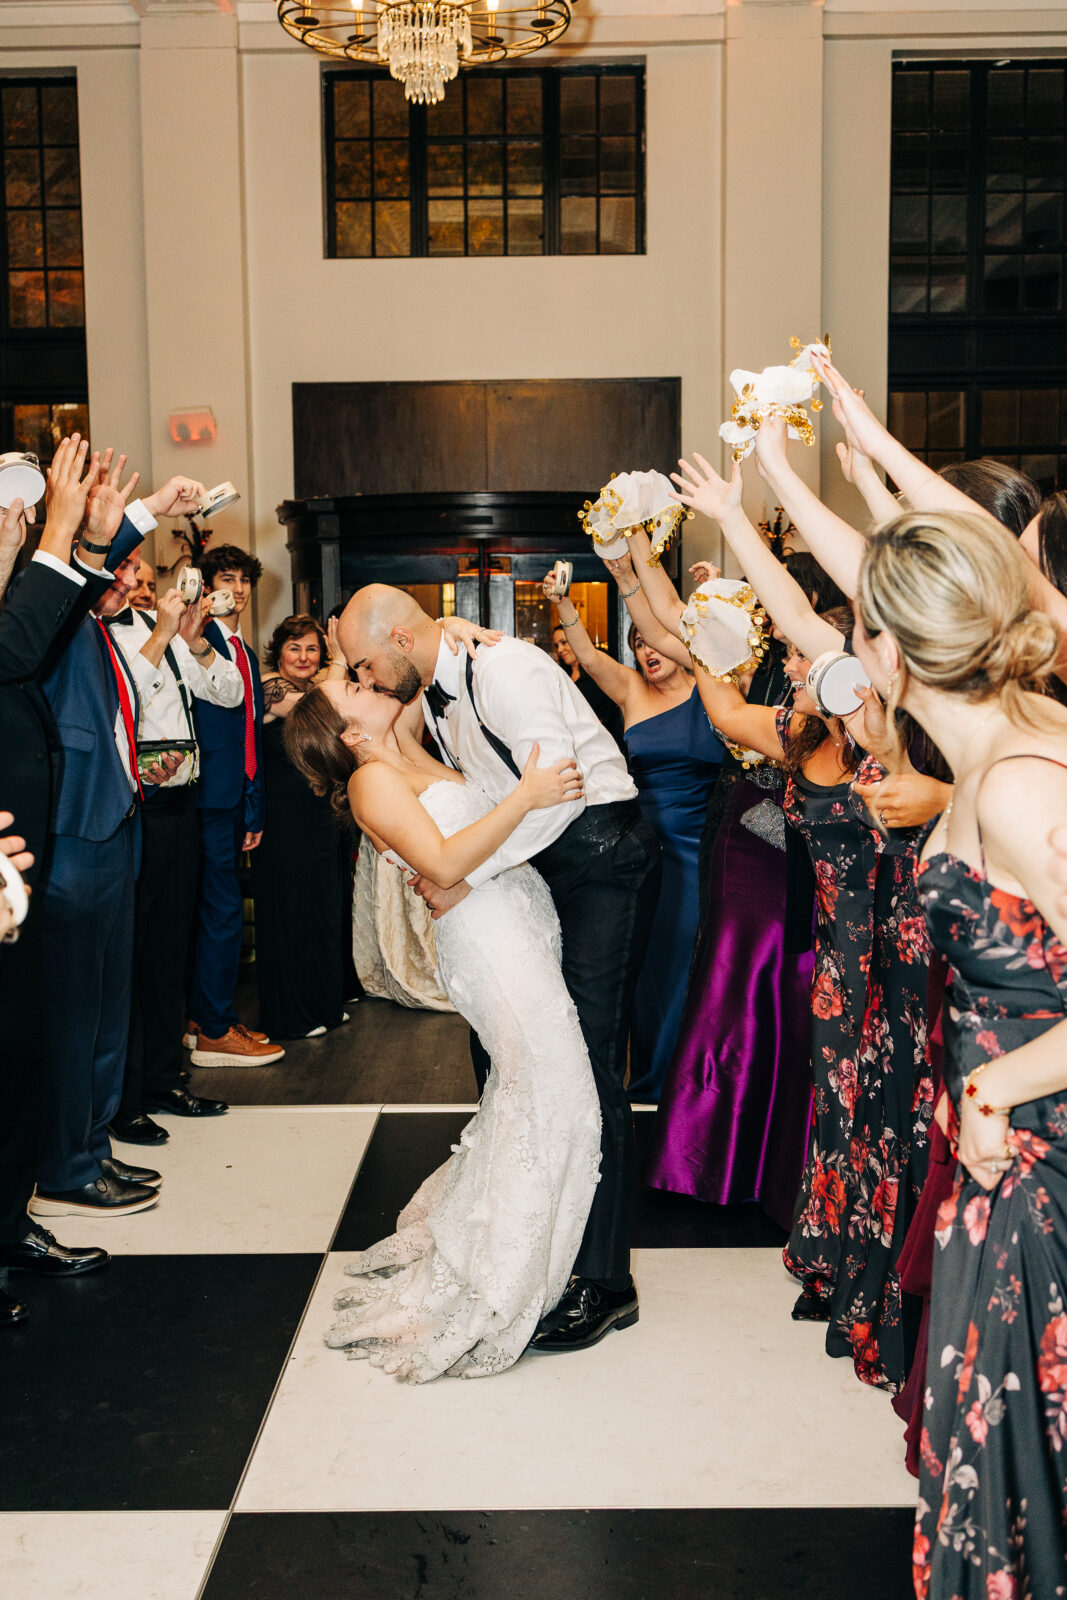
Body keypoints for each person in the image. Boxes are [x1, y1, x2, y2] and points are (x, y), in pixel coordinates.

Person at [337, 585, 661, 1353]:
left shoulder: (505, 670)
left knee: (584, 1060)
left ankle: (605, 1281)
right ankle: (529, 1245)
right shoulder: (437, 687)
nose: (367, 680)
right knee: (512, 1062)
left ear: (400, 638)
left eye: (364, 664)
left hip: (601, 860)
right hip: (538, 873)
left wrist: (466, 875)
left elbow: (557, 796)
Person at [849, 508, 1067, 1600]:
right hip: (1007, 1151)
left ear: (888, 654)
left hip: (1034, 1164)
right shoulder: (1005, 746)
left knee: (1022, 1453)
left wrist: (990, 1089)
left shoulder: (1020, 782)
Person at [284, 672, 599, 1379]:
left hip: (517, 919)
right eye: (350, 685)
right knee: (553, 1099)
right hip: (488, 944)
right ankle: (500, 1279)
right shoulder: (370, 781)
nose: (361, 679)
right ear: (349, 733)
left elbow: (409, 676)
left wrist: (464, 644)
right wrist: (527, 795)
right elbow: (445, 861)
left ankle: (509, 1250)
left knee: (535, 1099)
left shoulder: (405, 755)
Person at [32, 452, 207, 1218]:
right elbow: (80, 570)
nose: (129, 581)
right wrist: (146, 509)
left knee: (107, 1004)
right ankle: (67, 1162)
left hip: (117, 822)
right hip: (73, 830)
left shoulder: (104, 627)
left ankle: (94, 1148)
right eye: (117, 571)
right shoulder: (50, 609)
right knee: (75, 1012)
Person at [545, 567, 722, 1101]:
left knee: (691, 968)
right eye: (638, 642)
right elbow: (590, 657)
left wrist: (709, 598)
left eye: (654, 642)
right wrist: (564, 605)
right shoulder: (630, 691)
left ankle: (693, 1087)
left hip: (703, 851)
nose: (647, 652)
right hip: (644, 849)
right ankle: (648, 1082)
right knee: (648, 971)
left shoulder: (710, 686)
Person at [106, 573, 241, 1143]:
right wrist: (162, 635)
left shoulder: (153, 628)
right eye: (124, 570)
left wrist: (195, 640)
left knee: (169, 949)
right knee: (132, 957)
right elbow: (129, 696)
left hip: (183, 799)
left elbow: (229, 691)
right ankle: (123, 1098)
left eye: (139, 571)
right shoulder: (96, 636)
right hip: (133, 808)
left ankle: (162, 1079)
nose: (136, 581)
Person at [187, 544, 285, 1067]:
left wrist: (253, 807)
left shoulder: (242, 649)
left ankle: (205, 1015)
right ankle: (214, 1028)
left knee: (213, 911)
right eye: (228, 578)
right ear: (206, 586)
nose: (240, 589)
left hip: (231, 799)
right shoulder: (198, 638)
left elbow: (247, 732)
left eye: (245, 580)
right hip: (201, 796)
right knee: (220, 913)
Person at [252, 613, 353, 1039]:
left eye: (313, 648)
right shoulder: (270, 687)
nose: (304, 656)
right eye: (295, 647)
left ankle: (322, 1004)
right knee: (290, 910)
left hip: (318, 813)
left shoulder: (314, 688)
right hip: (283, 815)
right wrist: (342, 662)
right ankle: (291, 1015)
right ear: (279, 651)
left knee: (322, 906)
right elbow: (330, 709)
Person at [550, 621, 625, 746]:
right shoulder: (562, 676)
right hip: (573, 745)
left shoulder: (596, 674)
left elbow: (609, 710)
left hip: (601, 745)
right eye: (556, 645)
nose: (560, 649)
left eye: (564, 642)